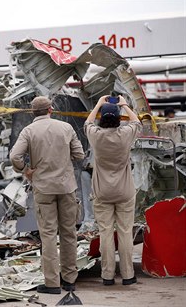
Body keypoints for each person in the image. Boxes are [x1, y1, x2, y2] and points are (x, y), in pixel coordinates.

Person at [10, 96, 85, 294]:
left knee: (49, 235)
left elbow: (14, 156)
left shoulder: (28, 131)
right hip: (66, 187)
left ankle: (52, 283)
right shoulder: (66, 128)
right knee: (69, 233)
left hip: (43, 188)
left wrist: (25, 169)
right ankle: (70, 279)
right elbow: (79, 155)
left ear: (33, 112)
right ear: (51, 109)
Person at [84, 95, 141, 286]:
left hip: (102, 192)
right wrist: (124, 104)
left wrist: (99, 104)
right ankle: (127, 275)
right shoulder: (125, 135)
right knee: (125, 232)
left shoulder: (96, 136)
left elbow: (88, 122)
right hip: (124, 191)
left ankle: (107, 276)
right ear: (118, 119)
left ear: (102, 118)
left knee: (106, 233)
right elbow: (136, 121)